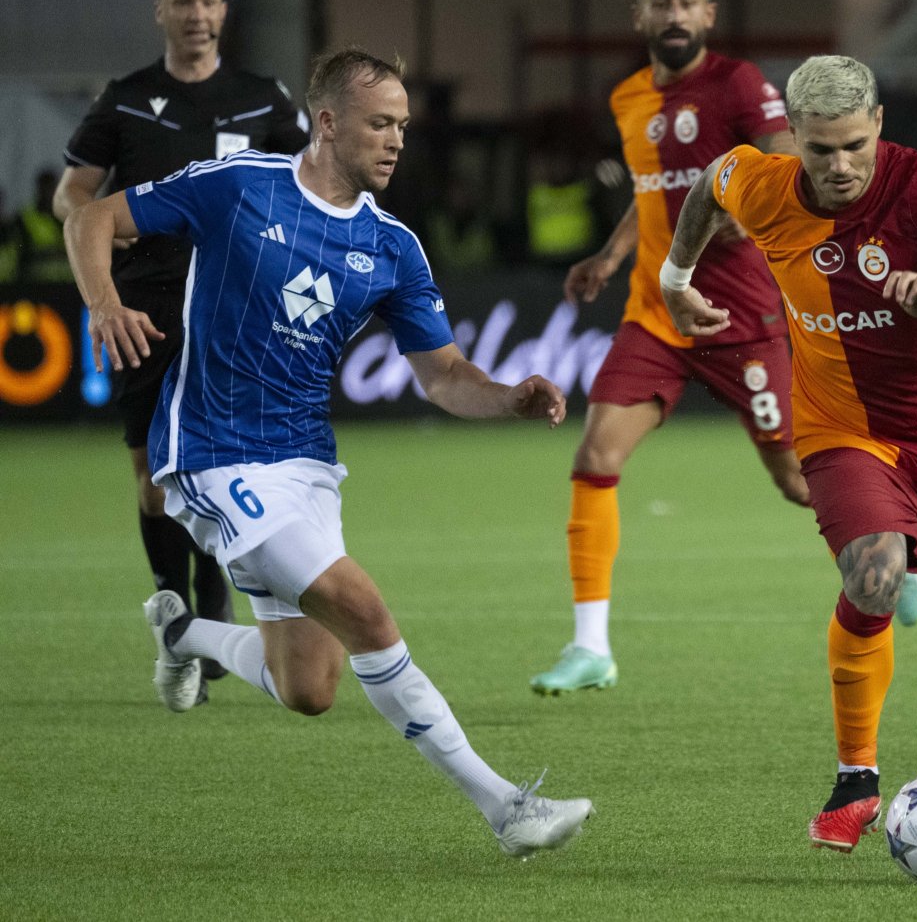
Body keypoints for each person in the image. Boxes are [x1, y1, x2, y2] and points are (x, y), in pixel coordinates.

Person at [62, 48, 594, 857]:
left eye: (404, 128)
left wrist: (509, 398)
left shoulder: (392, 247)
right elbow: (92, 216)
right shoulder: (238, 186)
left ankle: (185, 637)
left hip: (306, 464)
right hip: (212, 452)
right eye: (381, 124)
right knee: (367, 612)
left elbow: (445, 377)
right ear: (331, 121)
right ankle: (506, 809)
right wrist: (104, 304)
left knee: (307, 687)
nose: (396, 142)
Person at [661, 55, 917, 867]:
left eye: (854, 145)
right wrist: (678, 275)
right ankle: (856, 780)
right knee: (873, 573)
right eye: (821, 150)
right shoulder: (767, 185)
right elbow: (713, 180)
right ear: (797, 141)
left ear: (878, 123)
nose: (840, 166)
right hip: (842, 431)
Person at [528, 0, 917, 698]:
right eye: (659, 2)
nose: (673, 14)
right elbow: (653, 196)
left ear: (708, 15)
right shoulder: (627, 98)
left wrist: (746, 217)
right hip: (654, 314)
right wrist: (612, 256)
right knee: (596, 455)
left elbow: (781, 174)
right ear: (639, 15)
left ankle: (896, 537)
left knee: (796, 481)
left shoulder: (739, 85)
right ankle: (590, 648)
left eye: (686, 2)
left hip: (741, 316)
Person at [54, 0, 309, 683]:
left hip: (236, 308)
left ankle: (214, 596)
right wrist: (102, 227)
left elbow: (310, 186)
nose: (196, 15)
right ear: (159, 12)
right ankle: (175, 605)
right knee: (151, 476)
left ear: (224, 13)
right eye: (182, 3)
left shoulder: (263, 99)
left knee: (222, 462)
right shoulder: (126, 99)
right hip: (145, 304)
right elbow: (70, 196)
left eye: (208, 2)